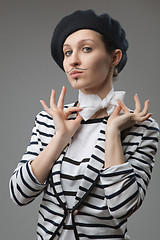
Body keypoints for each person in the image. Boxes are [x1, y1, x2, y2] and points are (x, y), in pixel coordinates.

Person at [9, 9, 159, 240]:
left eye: (86, 49)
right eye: (67, 52)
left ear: (114, 57)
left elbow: (123, 207)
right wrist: (60, 137)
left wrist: (112, 132)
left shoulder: (141, 127)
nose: (73, 60)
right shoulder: (49, 119)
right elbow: (19, 194)